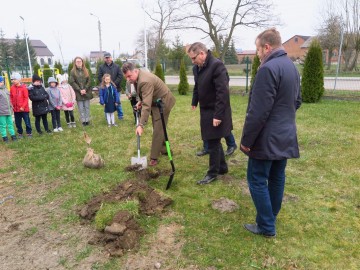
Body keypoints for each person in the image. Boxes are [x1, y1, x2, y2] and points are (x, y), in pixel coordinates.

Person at [240, 28, 301, 238]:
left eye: (257, 50)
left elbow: (258, 112)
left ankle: (266, 225)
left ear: (267, 47)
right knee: (276, 177)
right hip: (286, 134)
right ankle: (270, 216)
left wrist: (247, 141)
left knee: (256, 178)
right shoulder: (291, 67)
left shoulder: (268, 69)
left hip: (266, 138)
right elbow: (297, 101)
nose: (257, 54)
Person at [188, 42, 233, 185]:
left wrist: (218, 115)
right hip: (206, 109)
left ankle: (213, 172)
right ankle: (223, 168)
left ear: (202, 53)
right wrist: (195, 100)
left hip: (217, 109)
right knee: (213, 139)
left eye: (194, 58)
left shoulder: (216, 66)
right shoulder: (198, 68)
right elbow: (198, 85)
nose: (193, 61)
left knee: (213, 141)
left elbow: (222, 92)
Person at [121, 62, 176, 166]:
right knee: (160, 127)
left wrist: (141, 125)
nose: (128, 79)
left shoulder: (145, 80)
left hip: (164, 102)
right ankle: (165, 150)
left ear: (135, 71)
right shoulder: (138, 77)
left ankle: (154, 157)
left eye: (129, 76)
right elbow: (146, 95)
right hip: (156, 101)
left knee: (158, 129)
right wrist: (139, 102)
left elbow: (147, 105)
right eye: (126, 77)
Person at [98, 53, 124, 120]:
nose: (107, 59)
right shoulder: (101, 67)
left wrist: (113, 84)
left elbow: (120, 76)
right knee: (107, 104)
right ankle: (107, 117)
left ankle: (120, 116)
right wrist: (105, 83)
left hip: (116, 88)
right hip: (106, 89)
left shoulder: (117, 66)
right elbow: (99, 77)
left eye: (109, 57)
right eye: (106, 58)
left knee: (117, 102)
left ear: (111, 58)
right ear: (104, 59)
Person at [69, 56, 93, 126]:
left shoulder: (87, 70)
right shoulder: (73, 71)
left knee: (87, 107)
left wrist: (85, 89)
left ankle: (87, 120)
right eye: (77, 61)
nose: (79, 62)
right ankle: (83, 121)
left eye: (80, 61)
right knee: (81, 108)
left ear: (82, 62)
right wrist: (79, 90)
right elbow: (72, 82)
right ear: (75, 63)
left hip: (86, 92)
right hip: (78, 93)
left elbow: (89, 80)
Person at [10, 72, 32, 138]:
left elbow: (26, 98)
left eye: (14, 79)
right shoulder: (12, 88)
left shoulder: (24, 88)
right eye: (12, 79)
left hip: (24, 109)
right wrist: (12, 104)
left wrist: (23, 106)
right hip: (16, 109)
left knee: (27, 121)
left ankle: (29, 132)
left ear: (19, 80)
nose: (13, 81)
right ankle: (20, 133)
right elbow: (11, 97)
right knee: (18, 123)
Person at [0, 76, 17, 142]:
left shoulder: (6, 89)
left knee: (10, 123)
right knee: (3, 125)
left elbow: (9, 99)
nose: (1, 83)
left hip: (8, 111)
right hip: (1, 112)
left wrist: (11, 106)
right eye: (0, 82)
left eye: (2, 82)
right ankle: (4, 137)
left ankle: (13, 135)